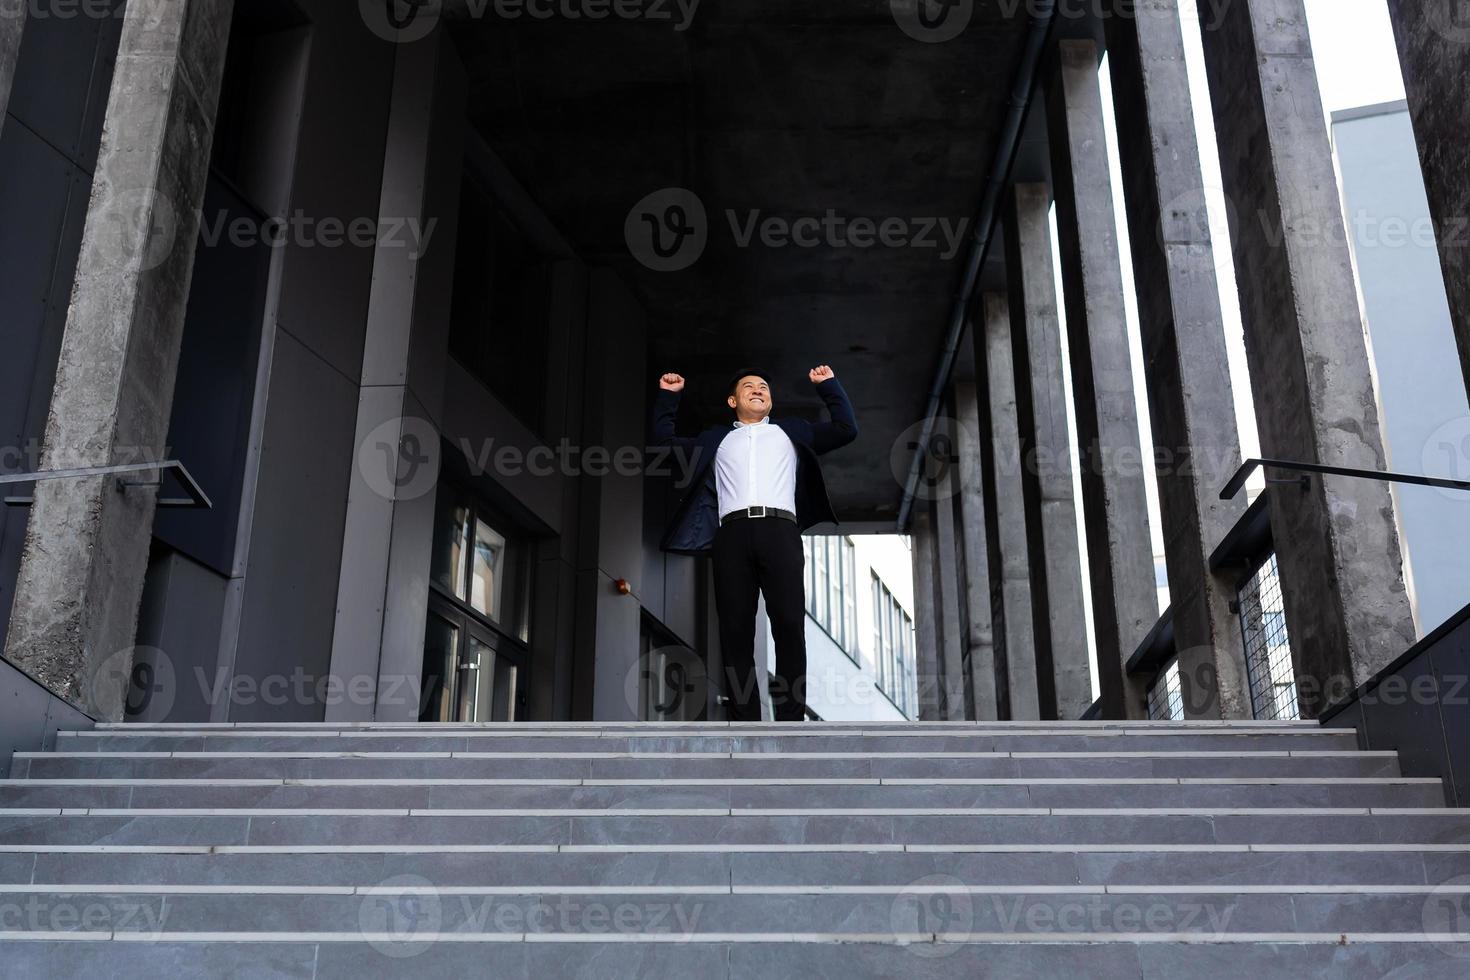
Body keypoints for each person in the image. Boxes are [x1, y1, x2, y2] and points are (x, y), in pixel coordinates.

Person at [650, 366, 858, 720]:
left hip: (781, 531)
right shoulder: (714, 439)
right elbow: (663, 444)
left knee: (789, 624)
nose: (758, 390)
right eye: (749, 387)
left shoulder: (791, 432)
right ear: (733, 400)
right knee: (735, 629)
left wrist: (829, 387)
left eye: (764, 387)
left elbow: (845, 430)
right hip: (731, 534)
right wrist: (669, 397)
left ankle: (790, 718)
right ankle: (745, 720)